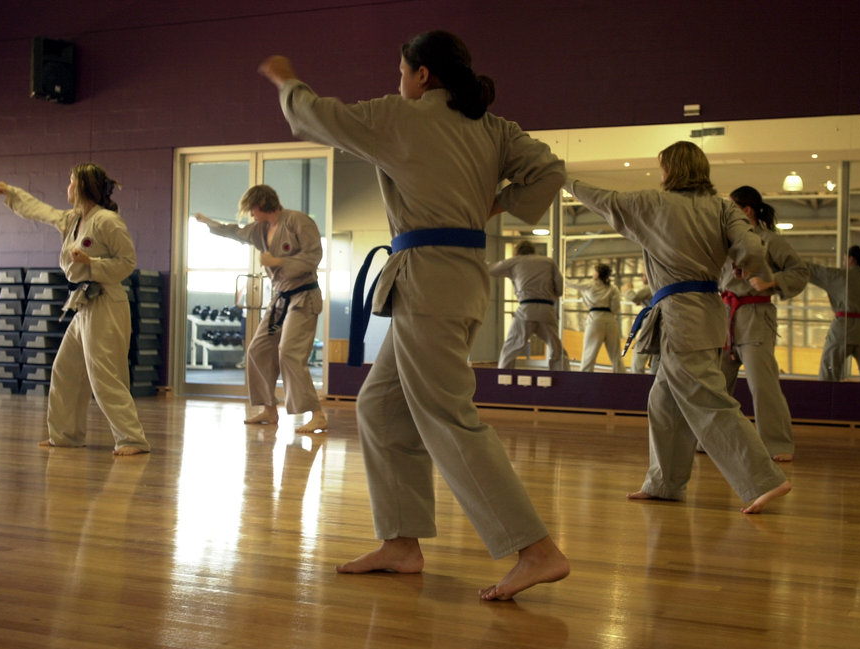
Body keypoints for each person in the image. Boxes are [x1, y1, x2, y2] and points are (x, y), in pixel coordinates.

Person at [258, 30, 569, 600]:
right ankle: (401, 543)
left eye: (401, 72)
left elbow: (318, 117)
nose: (398, 82)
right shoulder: (494, 129)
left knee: (448, 417)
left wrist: (286, 81)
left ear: (423, 74)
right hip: (455, 279)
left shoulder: (400, 116)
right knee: (380, 407)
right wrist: (494, 204)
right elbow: (550, 171)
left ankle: (536, 549)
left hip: (429, 281)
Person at [567, 141, 791, 513]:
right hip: (708, 312)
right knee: (663, 403)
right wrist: (750, 268)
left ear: (669, 170)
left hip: (680, 316)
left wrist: (563, 179)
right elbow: (752, 250)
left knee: (708, 401)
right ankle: (665, 484)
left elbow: (603, 199)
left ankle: (763, 480)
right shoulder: (723, 208)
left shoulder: (653, 204)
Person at [0, 164, 150, 456]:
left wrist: (92, 263)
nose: (68, 187)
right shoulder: (73, 219)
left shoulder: (107, 222)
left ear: (82, 186)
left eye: (71, 181)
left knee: (104, 374)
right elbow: (41, 211)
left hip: (106, 303)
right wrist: (12, 193)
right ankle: (65, 435)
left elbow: (127, 263)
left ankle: (132, 439)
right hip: (84, 303)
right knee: (66, 369)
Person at [195, 184, 327, 432]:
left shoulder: (297, 221)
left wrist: (279, 261)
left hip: (303, 297)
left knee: (289, 352)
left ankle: (317, 415)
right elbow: (236, 232)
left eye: (252, 209)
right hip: (280, 300)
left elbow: (313, 255)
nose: (251, 214)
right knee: (258, 349)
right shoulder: (260, 229)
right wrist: (210, 223)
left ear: (261, 204)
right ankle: (268, 408)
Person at [720, 186, 809, 462]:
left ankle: (777, 443)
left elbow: (800, 272)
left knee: (762, 385)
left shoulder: (770, 241)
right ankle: (712, 440)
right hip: (723, 316)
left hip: (755, 315)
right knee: (716, 385)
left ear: (747, 210)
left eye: (732, 207)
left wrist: (772, 282)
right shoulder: (723, 241)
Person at [808, 246, 860, 382]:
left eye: (844, 259)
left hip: (843, 327)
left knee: (829, 368)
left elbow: (815, 271)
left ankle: (825, 395)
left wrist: (791, 263)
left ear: (851, 259)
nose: (843, 263)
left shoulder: (840, 276)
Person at [489, 240, 569, 370]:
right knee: (556, 349)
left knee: (511, 347)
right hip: (547, 310)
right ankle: (562, 377)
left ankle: (503, 377)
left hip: (526, 309)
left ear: (517, 251)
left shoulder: (515, 261)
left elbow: (490, 269)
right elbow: (559, 289)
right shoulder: (549, 262)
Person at [566, 263, 622, 372]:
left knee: (589, 354)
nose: (593, 273)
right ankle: (623, 379)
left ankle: (585, 379)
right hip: (611, 320)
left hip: (595, 320)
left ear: (598, 274)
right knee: (616, 356)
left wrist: (560, 276)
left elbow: (572, 284)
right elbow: (616, 307)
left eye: (594, 271)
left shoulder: (590, 284)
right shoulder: (613, 288)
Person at [625, 273, 658, 374]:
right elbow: (640, 300)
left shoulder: (649, 288)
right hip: (661, 322)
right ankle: (654, 380)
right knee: (657, 355)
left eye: (644, 275)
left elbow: (634, 298)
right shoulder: (659, 286)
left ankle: (636, 379)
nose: (642, 277)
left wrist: (628, 289)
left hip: (650, 321)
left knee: (639, 353)